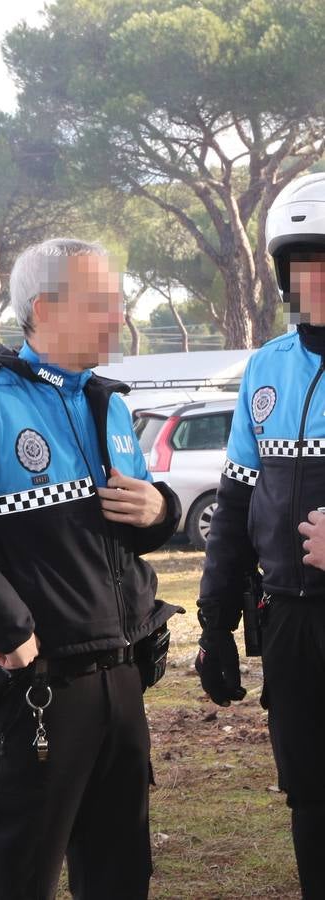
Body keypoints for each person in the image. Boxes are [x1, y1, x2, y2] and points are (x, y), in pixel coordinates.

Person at [0, 238, 181, 899]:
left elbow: (134, 531)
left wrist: (161, 510)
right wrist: (8, 630)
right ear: (43, 309)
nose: (117, 317)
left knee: (120, 873)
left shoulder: (109, 404)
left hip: (122, 680)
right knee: (13, 876)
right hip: (39, 686)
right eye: (100, 304)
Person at [197, 171, 325, 898]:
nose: (317, 282)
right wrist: (216, 624)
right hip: (290, 624)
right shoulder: (266, 370)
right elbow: (236, 509)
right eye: (303, 266)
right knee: (309, 794)